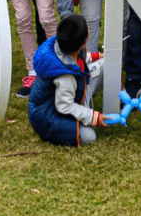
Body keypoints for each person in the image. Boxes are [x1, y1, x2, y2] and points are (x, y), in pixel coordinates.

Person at [28, 15, 122, 146]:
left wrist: (99, 56)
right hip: (49, 114)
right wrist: (93, 117)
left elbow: (81, 57)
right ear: (85, 41)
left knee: (108, 64)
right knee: (89, 136)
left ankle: (121, 97)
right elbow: (64, 106)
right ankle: (58, 131)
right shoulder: (65, 77)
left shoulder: (61, 45)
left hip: (65, 96)